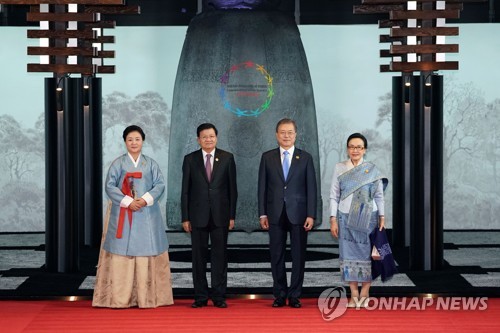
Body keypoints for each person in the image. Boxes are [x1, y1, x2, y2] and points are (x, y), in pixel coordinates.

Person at [93, 125, 173, 308]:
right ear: (125, 142)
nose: (134, 143)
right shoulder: (117, 163)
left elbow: (160, 185)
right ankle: (121, 298)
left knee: (147, 252)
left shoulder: (151, 163)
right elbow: (110, 186)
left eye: (137, 139)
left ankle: (147, 297)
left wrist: (143, 200)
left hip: (146, 214)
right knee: (122, 254)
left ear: (142, 141)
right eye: (130, 139)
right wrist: (129, 201)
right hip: (123, 213)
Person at [258, 118, 317, 308]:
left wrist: (311, 214)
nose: (286, 136)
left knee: (299, 256)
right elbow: (262, 188)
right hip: (274, 213)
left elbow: (312, 189)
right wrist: (262, 214)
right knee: (277, 255)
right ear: (276, 135)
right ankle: (279, 294)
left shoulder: (305, 157)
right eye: (282, 132)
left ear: (295, 134)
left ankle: (295, 295)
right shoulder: (267, 157)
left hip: (299, 214)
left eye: (290, 132)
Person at [181, 123, 238, 308]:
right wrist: (185, 217)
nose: (208, 139)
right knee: (198, 259)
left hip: (221, 216)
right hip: (197, 216)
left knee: (219, 258)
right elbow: (185, 192)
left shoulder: (227, 158)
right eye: (204, 137)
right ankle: (200, 297)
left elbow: (232, 190)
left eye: (212, 136)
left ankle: (219, 296)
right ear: (198, 139)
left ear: (217, 137)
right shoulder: (190, 159)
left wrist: (231, 216)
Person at [329, 132, 388, 308]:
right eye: (352, 147)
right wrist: (333, 219)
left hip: (369, 218)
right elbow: (334, 195)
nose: (355, 150)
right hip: (345, 217)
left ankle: (365, 293)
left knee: (367, 256)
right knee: (348, 256)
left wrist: (382, 217)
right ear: (347, 149)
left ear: (365, 150)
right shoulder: (340, 167)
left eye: (359, 147)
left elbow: (379, 196)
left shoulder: (372, 169)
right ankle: (354, 294)